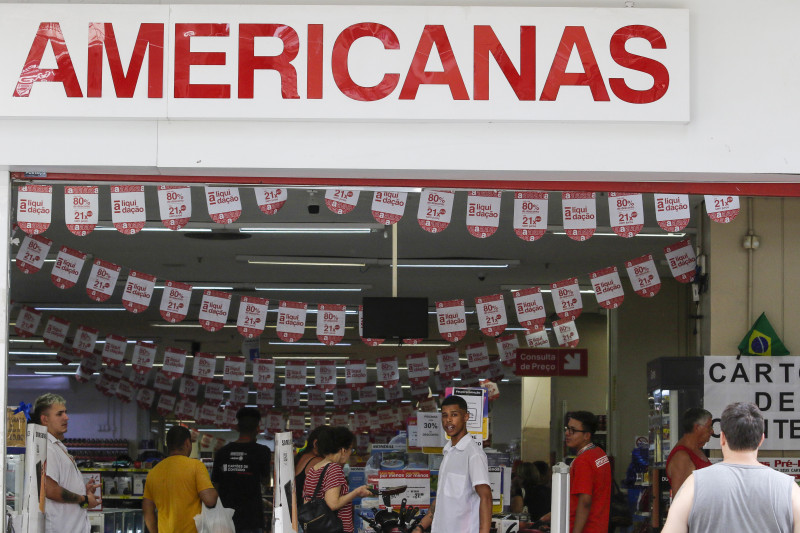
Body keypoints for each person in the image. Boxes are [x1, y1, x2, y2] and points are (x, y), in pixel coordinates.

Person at [662, 402, 800, 533]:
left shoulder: (693, 484)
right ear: (761, 440)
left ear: (722, 438)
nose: (711, 432)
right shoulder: (790, 489)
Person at [412, 395, 492, 533]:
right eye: (444, 415)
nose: (448, 420)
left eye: (454, 415)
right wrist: (420, 527)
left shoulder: (473, 454)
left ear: (466, 417)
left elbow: (486, 497)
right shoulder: (448, 452)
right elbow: (442, 499)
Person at [32, 393, 101, 533]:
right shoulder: (46, 447)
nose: (66, 417)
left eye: (65, 412)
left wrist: (81, 490)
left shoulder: (58, 446)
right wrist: (84, 499)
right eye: (59, 414)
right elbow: (50, 489)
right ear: (45, 419)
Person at [143, 425, 218, 533]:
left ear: (167, 445)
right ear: (187, 443)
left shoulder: (154, 472)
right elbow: (210, 500)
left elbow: (148, 511)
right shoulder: (196, 466)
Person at [302, 426, 372, 533]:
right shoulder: (334, 468)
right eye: (351, 450)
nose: (350, 454)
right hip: (336, 529)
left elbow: (307, 501)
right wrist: (356, 492)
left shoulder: (313, 470)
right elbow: (332, 504)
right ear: (343, 450)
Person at [212, 407, 271, 533]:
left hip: (225, 518)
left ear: (237, 427)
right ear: (257, 429)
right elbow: (266, 481)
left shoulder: (222, 453)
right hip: (252, 519)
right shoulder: (262, 452)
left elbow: (215, 485)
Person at [563, 411, 611, 533]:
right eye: (567, 428)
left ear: (587, 435)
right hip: (600, 526)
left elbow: (584, 501)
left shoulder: (583, 461)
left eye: (573, 430)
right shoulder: (599, 453)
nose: (567, 433)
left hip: (586, 528)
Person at [665, 407, 713, 494]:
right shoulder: (682, 457)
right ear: (697, 427)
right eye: (709, 427)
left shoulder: (695, 451)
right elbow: (680, 500)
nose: (712, 431)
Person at [294, 425, 331, 514]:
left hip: (297, 516)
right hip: (309, 519)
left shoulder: (302, 457)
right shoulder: (318, 462)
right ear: (315, 443)